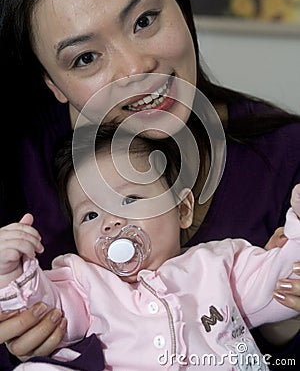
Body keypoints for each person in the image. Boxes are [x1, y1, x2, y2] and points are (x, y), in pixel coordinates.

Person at [0, 0, 300, 369]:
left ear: (181, 6)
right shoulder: (12, 162)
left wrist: (283, 322)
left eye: (144, 20)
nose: (136, 68)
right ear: (52, 83)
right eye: (85, 58)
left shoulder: (287, 152)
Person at [1, 123, 300, 371]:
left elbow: (281, 281)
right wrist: (12, 270)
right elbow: (40, 307)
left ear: (182, 210)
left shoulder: (220, 263)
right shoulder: (83, 283)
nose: (110, 222)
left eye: (130, 199)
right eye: (90, 215)